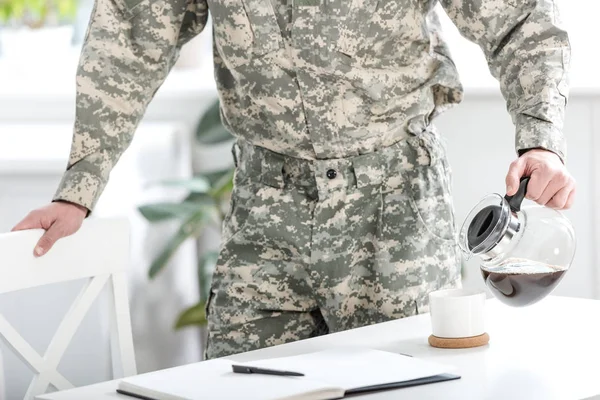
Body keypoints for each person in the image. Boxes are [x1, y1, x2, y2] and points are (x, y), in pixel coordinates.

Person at [14, 0, 575, 359]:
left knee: (409, 385)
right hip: (264, 211)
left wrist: (541, 140)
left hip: (395, 207)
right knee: (234, 383)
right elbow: (131, 39)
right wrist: (78, 189)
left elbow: (524, 21)